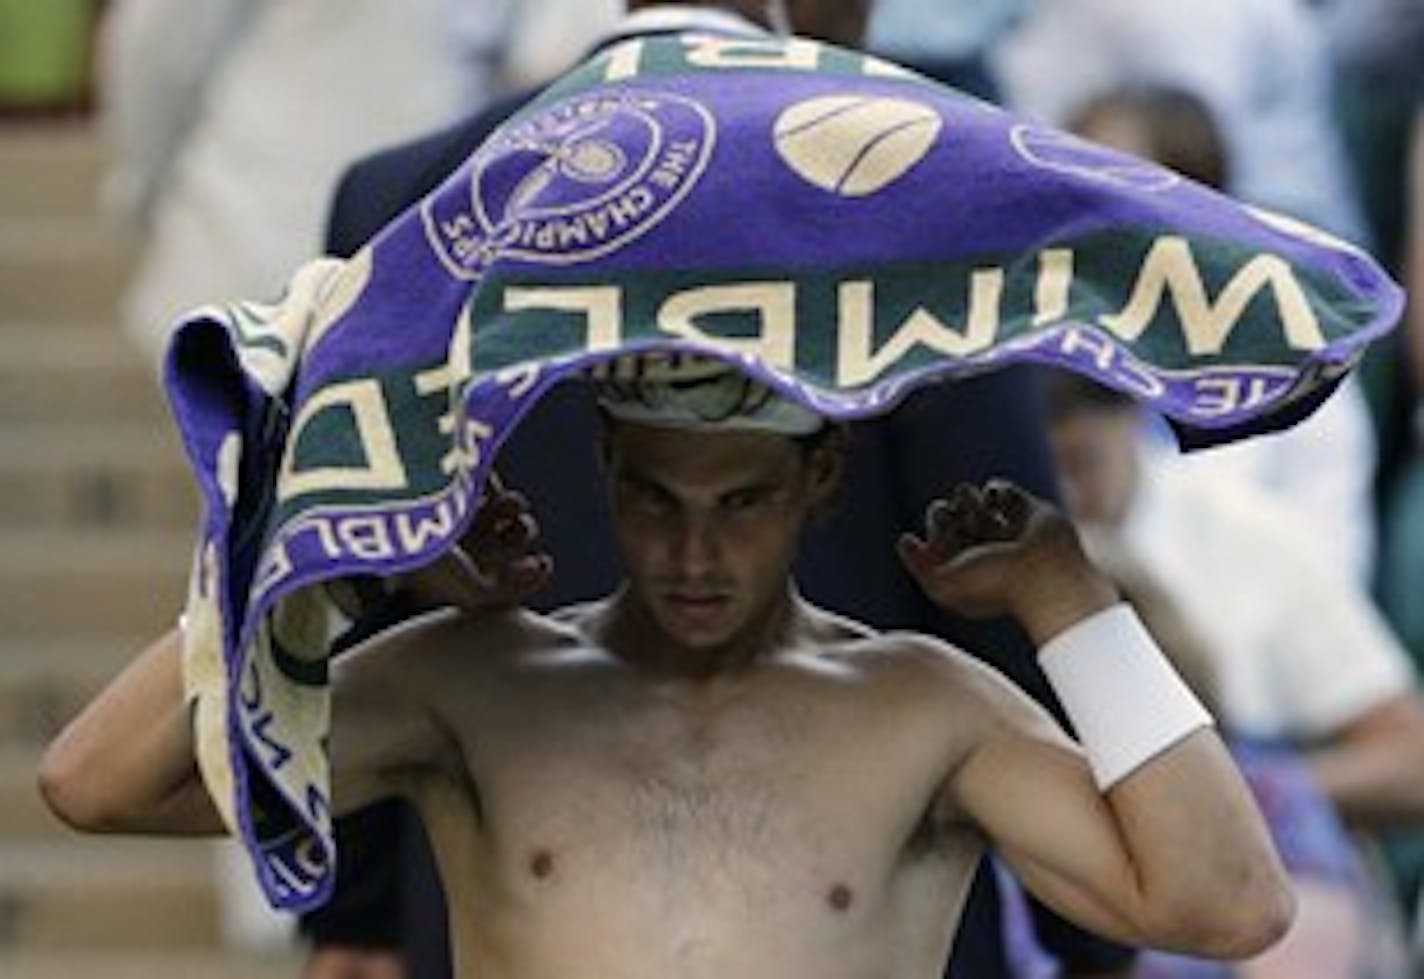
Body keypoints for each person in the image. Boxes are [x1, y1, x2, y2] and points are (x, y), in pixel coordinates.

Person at [322, 2, 1136, 975]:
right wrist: (1088, 929)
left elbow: (364, 531)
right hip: (844, 827)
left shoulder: (408, 192)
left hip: (537, 828)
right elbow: (983, 525)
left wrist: (354, 907)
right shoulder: (906, 177)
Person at [40, 362, 1293, 979]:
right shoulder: (477, 683)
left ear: (820, 480)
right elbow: (96, 781)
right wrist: (340, 563)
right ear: (603, 471)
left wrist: (1069, 600)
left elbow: (1226, 906)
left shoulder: (923, 707)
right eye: (652, 499)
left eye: (741, 502)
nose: (693, 553)